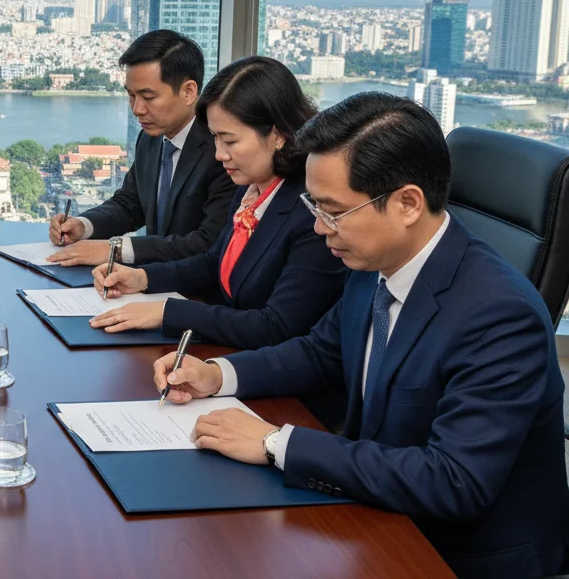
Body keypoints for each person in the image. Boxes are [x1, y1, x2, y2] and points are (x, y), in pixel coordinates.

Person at [152, 93, 568, 579]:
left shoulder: (500, 315)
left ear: (408, 204)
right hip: (376, 517)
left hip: (453, 556)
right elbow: (323, 352)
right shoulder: (374, 260)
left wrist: (275, 443)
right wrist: (216, 374)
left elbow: (453, 481)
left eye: (332, 209)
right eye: (315, 205)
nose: (317, 226)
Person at [89, 56, 347, 350]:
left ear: (277, 135)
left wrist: (167, 311)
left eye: (230, 141)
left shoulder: (312, 213)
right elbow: (215, 262)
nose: (219, 154)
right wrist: (143, 278)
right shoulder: (252, 186)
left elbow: (275, 326)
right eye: (215, 139)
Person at [47, 29, 236, 267]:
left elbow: (208, 242)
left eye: (148, 97)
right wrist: (83, 226)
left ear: (189, 91)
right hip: (148, 283)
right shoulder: (151, 138)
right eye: (131, 96)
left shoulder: (221, 151)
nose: (137, 109)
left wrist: (115, 250)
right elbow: (130, 204)